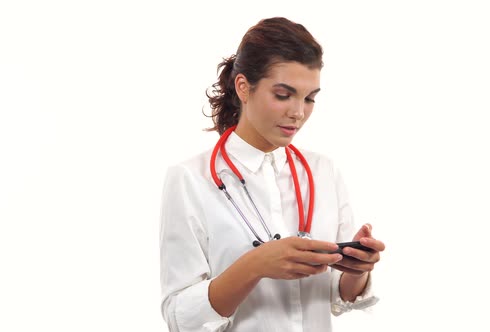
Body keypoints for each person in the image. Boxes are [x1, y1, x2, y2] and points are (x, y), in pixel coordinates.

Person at [159, 17, 386, 332]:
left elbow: (338, 292)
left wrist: (357, 269)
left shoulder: (323, 172)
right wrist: (255, 266)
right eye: (283, 95)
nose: (298, 112)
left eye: (309, 98)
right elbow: (179, 316)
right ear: (243, 87)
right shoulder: (190, 179)